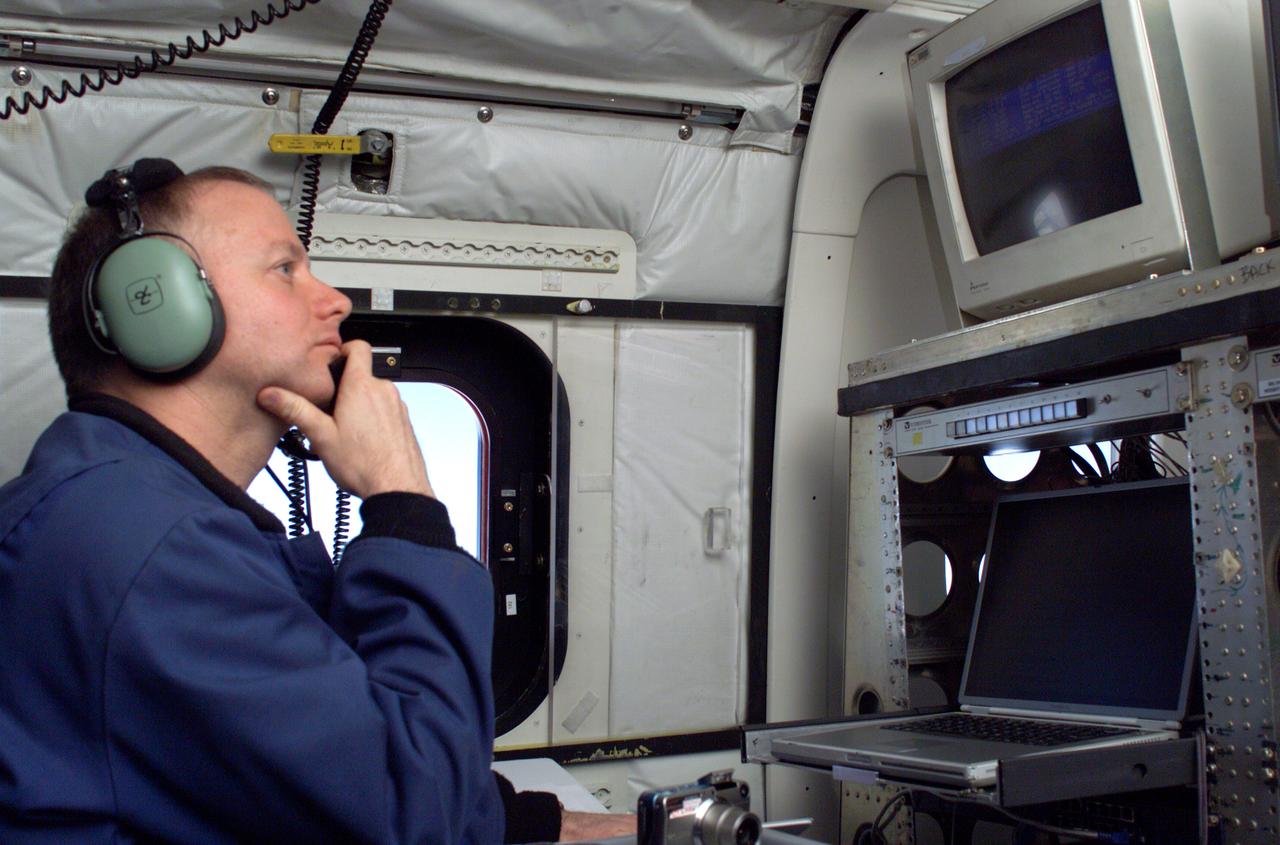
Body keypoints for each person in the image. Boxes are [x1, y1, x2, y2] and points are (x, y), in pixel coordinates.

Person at [0, 160, 632, 843]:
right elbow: (409, 818)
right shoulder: (148, 548)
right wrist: (401, 499)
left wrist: (529, 821)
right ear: (153, 303)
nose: (335, 302)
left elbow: (309, 760)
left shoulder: (133, 511)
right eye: (285, 269)